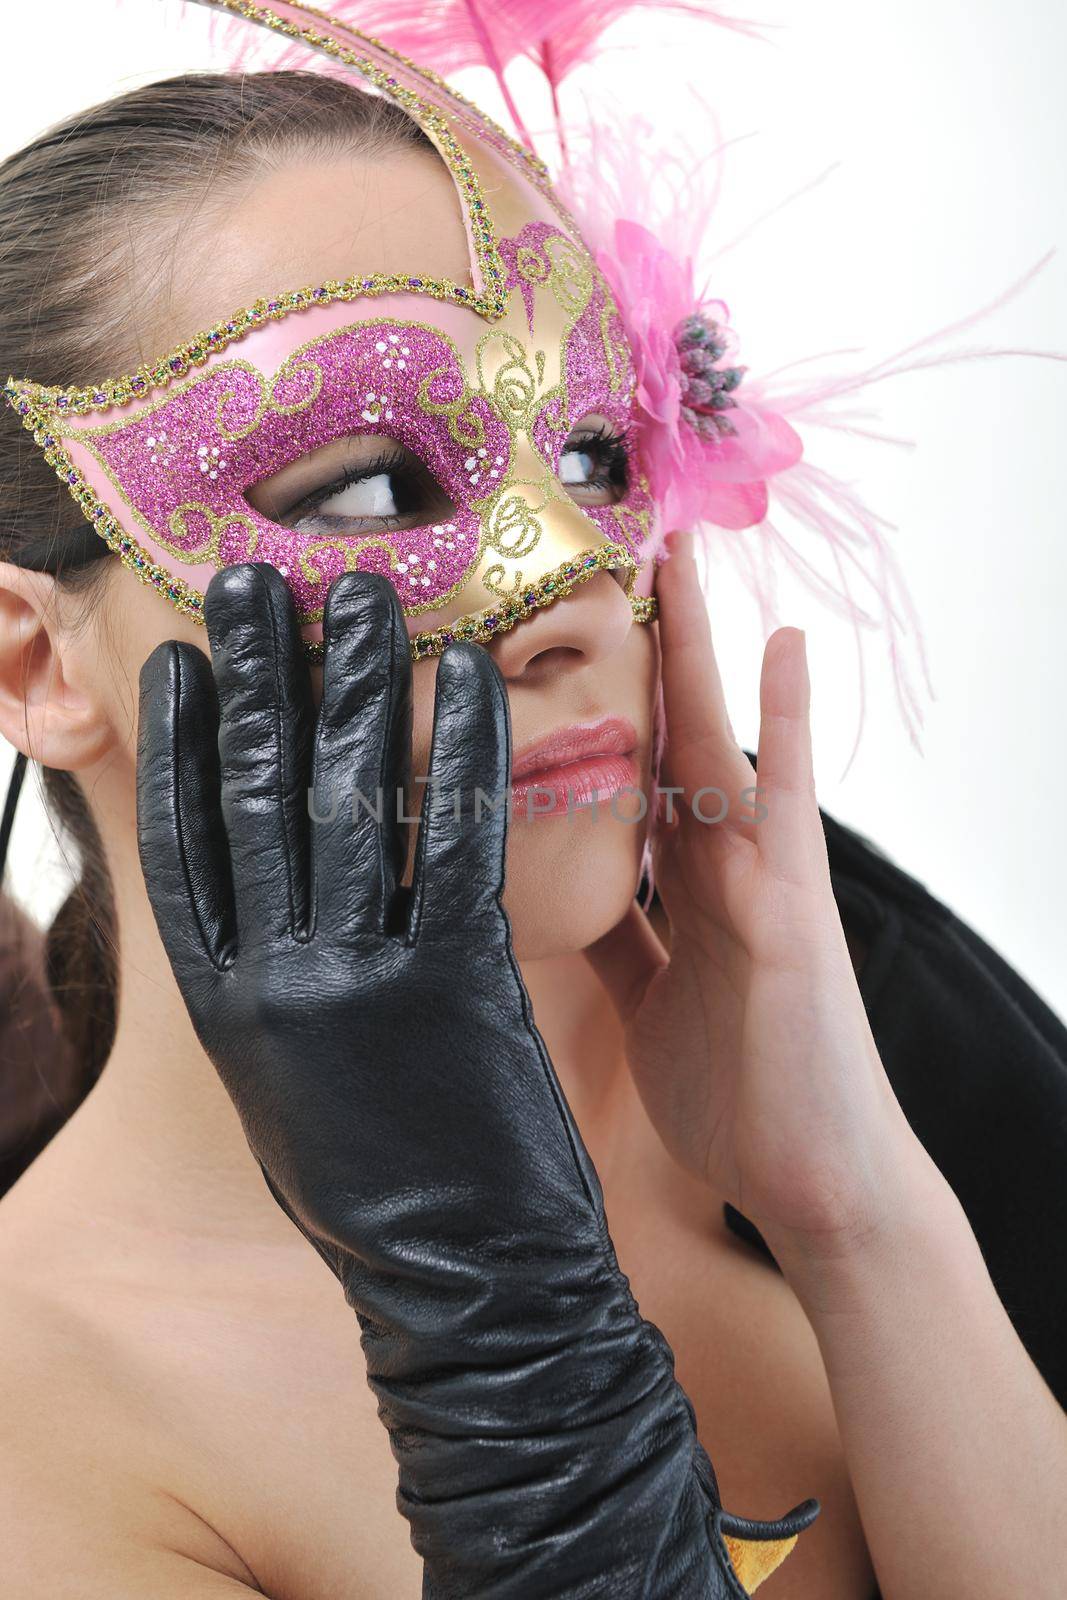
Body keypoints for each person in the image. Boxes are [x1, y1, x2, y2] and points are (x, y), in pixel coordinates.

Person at [1, 21, 1065, 1600]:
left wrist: (857, 1205)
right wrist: (496, 1324)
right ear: (35, 661)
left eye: (588, 448)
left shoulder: (825, 1053)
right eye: (364, 490)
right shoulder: (43, 1430)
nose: (567, 584)